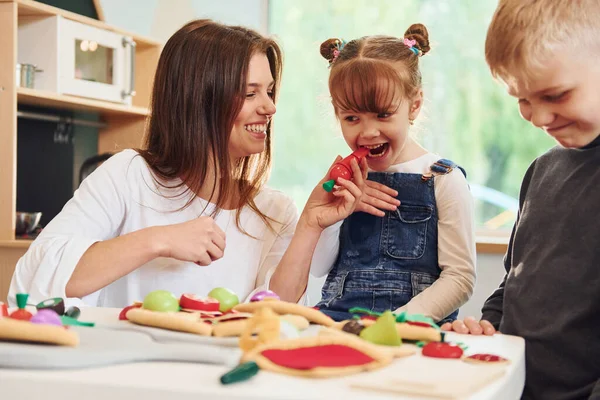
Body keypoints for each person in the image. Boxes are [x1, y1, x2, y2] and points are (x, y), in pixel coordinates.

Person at [8, 19, 366, 309]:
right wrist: (160, 240)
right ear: (200, 99)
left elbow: (271, 312)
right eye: (250, 92)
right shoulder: (129, 175)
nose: (270, 107)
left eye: (270, 91)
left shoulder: (274, 210)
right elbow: (35, 279)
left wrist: (309, 225)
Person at [440, 1, 600, 399]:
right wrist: (486, 327)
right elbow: (514, 283)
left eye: (556, 95)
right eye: (522, 99)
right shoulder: (541, 170)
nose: (539, 118)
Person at [310, 24, 476, 324]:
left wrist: (393, 325)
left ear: (414, 105)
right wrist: (331, 212)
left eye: (383, 114)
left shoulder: (444, 178)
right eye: (351, 118)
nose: (368, 131)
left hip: (411, 331)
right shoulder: (342, 178)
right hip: (339, 322)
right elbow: (319, 268)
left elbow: (460, 279)